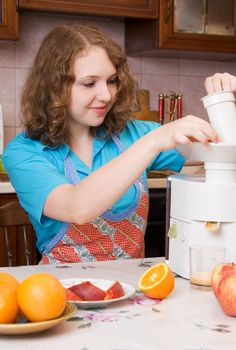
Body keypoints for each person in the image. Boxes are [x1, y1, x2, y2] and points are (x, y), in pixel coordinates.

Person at [3, 23, 219, 264]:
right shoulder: (23, 152)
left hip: (133, 292)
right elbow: (77, 207)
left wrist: (224, 101)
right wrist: (154, 141)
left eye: (112, 80)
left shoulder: (134, 134)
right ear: (54, 87)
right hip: (61, 294)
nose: (106, 95)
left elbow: (220, 149)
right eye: (89, 83)